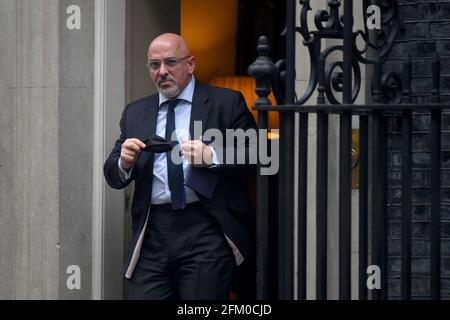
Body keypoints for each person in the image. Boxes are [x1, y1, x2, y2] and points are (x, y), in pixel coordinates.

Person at [103, 33, 256, 300]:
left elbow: (256, 154)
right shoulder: (135, 112)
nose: (162, 71)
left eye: (170, 62)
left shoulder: (226, 102)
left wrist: (212, 155)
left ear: (191, 65)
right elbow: (113, 174)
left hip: (205, 228)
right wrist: (123, 162)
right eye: (154, 65)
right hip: (153, 233)